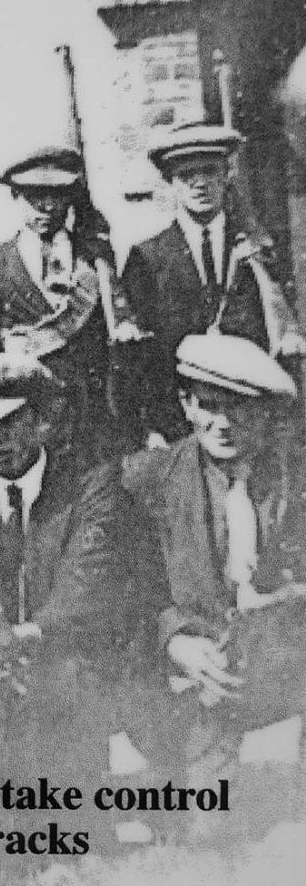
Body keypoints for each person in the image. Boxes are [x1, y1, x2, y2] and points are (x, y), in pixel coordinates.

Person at [121, 332, 306, 838]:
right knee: (206, 836)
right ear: (185, 404)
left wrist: (290, 599)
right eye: (208, 406)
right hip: (185, 666)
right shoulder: (145, 480)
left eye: (241, 410)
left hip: (285, 655)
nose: (222, 424)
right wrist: (176, 641)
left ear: (268, 415)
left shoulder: (297, 476)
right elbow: (127, 588)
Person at [0, 351, 124, 796]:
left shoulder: (89, 485)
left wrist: (23, 639)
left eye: (9, 423)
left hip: (58, 654)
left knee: (72, 676)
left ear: (41, 421)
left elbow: (84, 586)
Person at [122, 123, 304, 443]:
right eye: (186, 175)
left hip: (250, 420)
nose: (199, 184)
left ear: (226, 175)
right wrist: (153, 427)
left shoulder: (259, 251)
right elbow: (142, 358)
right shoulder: (146, 258)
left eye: (209, 171)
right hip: (179, 423)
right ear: (170, 182)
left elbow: (283, 338)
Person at [0, 148, 138, 463]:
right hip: (32, 420)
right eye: (35, 196)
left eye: (57, 195)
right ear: (15, 195)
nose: (47, 207)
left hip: (94, 416)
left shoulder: (96, 258)